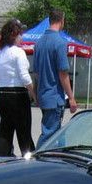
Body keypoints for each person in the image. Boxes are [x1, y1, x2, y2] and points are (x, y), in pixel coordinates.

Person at [34, 9, 77, 147]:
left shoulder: (38, 43)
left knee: (58, 133)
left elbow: (37, 73)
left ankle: (62, 157)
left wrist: (36, 94)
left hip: (43, 94)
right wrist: (71, 97)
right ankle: (36, 160)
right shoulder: (60, 43)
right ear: (62, 20)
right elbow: (63, 73)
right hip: (54, 97)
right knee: (49, 135)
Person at [0, 18, 36, 157]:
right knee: (23, 130)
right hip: (16, 94)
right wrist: (33, 92)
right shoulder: (18, 52)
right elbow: (24, 76)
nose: (21, 37)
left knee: (5, 130)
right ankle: (29, 158)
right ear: (13, 35)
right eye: (19, 34)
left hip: (2, 93)